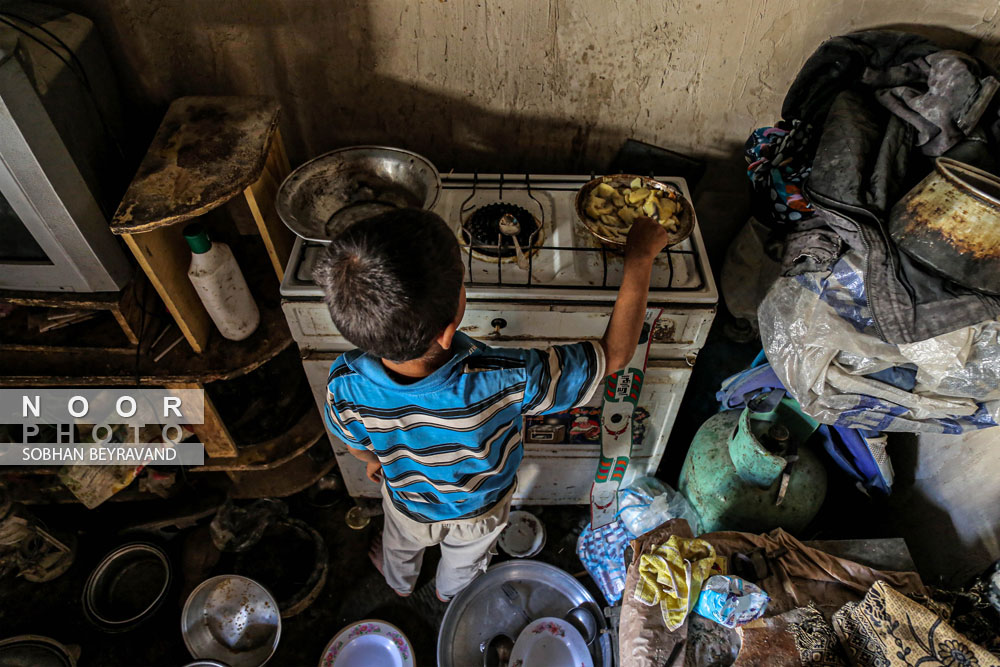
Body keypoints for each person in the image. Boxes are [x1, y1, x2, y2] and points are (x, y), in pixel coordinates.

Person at [313, 207, 668, 601]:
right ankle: (450, 594)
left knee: (400, 544)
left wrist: (372, 460)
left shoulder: (344, 382)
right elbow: (614, 355)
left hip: (408, 502)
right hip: (479, 511)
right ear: (448, 331)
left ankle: (399, 582)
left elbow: (354, 442)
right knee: (465, 562)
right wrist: (640, 258)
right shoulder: (507, 376)